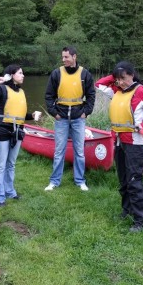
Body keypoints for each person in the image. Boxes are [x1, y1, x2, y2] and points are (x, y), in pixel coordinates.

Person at [95, 61, 143, 233]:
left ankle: (141, 221)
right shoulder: (116, 91)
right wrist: (115, 75)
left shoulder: (141, 91)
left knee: (134, 182)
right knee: (123, 181)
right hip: (120, 142)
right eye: (117, 79)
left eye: (123, 78)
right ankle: (127, 211)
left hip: (135, 144)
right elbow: (98, 84)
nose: (120, 82)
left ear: (132, 75)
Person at [0, 64, 37, 206]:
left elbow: (19, 115)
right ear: (12, 75)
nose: (23, 75)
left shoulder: (21, 92)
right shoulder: (1, 89)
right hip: (3, 130)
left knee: (11, 164)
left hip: (17, 131)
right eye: (20, 73)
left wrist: (32, 115)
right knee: (0, 165)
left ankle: (10, 191)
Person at [44, 46, 95, 192]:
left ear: (74, 57)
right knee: (59, 151)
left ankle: (80, 181)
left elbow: (91, 95)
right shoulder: (56, 74)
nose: (63, 59)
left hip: (79, 118)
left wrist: (86, 111)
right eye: (63, 57)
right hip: (61, 118)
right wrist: (55, 113)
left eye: (66, 57)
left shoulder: (84, 74)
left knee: (79, 151)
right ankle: (54, 182)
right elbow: (49, 96)